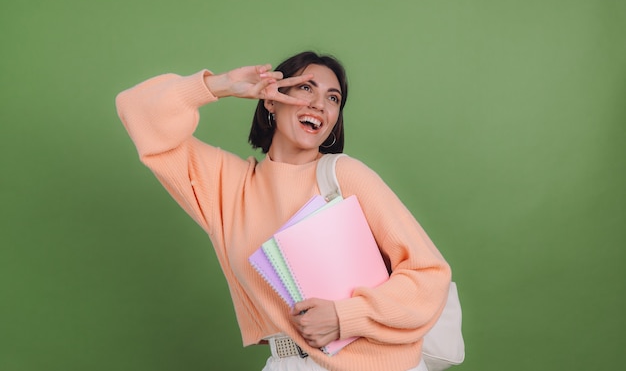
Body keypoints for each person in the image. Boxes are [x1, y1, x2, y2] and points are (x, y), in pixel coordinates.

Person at [116, 51, 451, 371]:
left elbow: (429, 273)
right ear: (271, 99)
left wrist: (344, 317)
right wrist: (220, 85)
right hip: (286, 362)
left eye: (333, 98)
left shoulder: (345, 176)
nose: (320, 104)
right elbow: (137, 111)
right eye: (306, 87)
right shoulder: (228, 187)